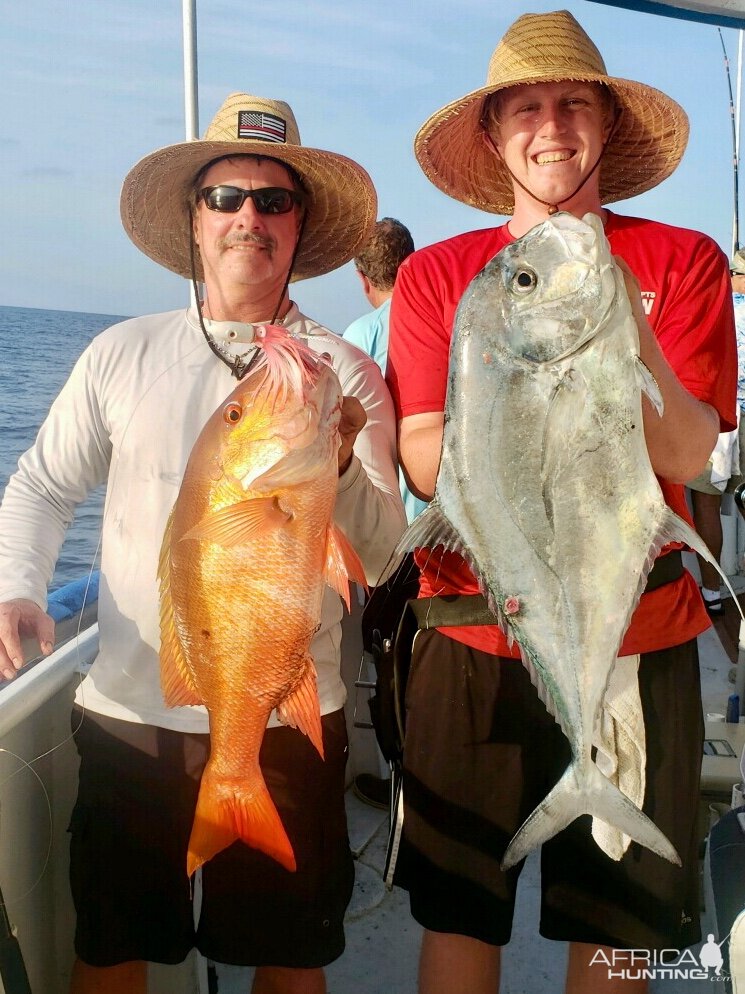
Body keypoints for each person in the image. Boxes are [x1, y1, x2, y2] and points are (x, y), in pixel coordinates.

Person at [0, 93, 406, 994]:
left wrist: (335, 462)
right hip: (130, 717)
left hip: (290, 717)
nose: (247, 219)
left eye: (272, 200)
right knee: (111, 948)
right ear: (193, 220)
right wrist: (19, 584)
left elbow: (381, 558)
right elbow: (40, 484)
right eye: (224, 197)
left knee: (291, 958)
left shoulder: (344, 371)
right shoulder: (121, 353)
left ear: (301, 226)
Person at [386, 11, 737, 994]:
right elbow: (419, 455)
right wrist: (517, 389)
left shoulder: (682, 261)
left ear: (605, 127)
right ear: (495, 134)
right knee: (459, 914)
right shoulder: (436, 275)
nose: (551, 126)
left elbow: (692, 447)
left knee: (616, 928)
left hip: (638, 633)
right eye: (527, 108)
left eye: (573, 103)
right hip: (469, 635)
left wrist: (620, 340)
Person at [343, 218, 424, 810]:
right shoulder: (439, 326)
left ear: (363, 277)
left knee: (389, 653)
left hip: (390, 538)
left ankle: (402, 780)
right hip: (449, 529)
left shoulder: (360, 337)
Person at [344, 217, 427, 526]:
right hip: (447, 519)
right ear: (413, 261)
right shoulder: (445, 320)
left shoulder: (361, 334)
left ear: (362, 279)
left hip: (393, 523)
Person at [687, 249, 745, 616]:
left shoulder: (714, 300)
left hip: (718, 412)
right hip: (729, 411)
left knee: (706, 504)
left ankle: (711, 593)